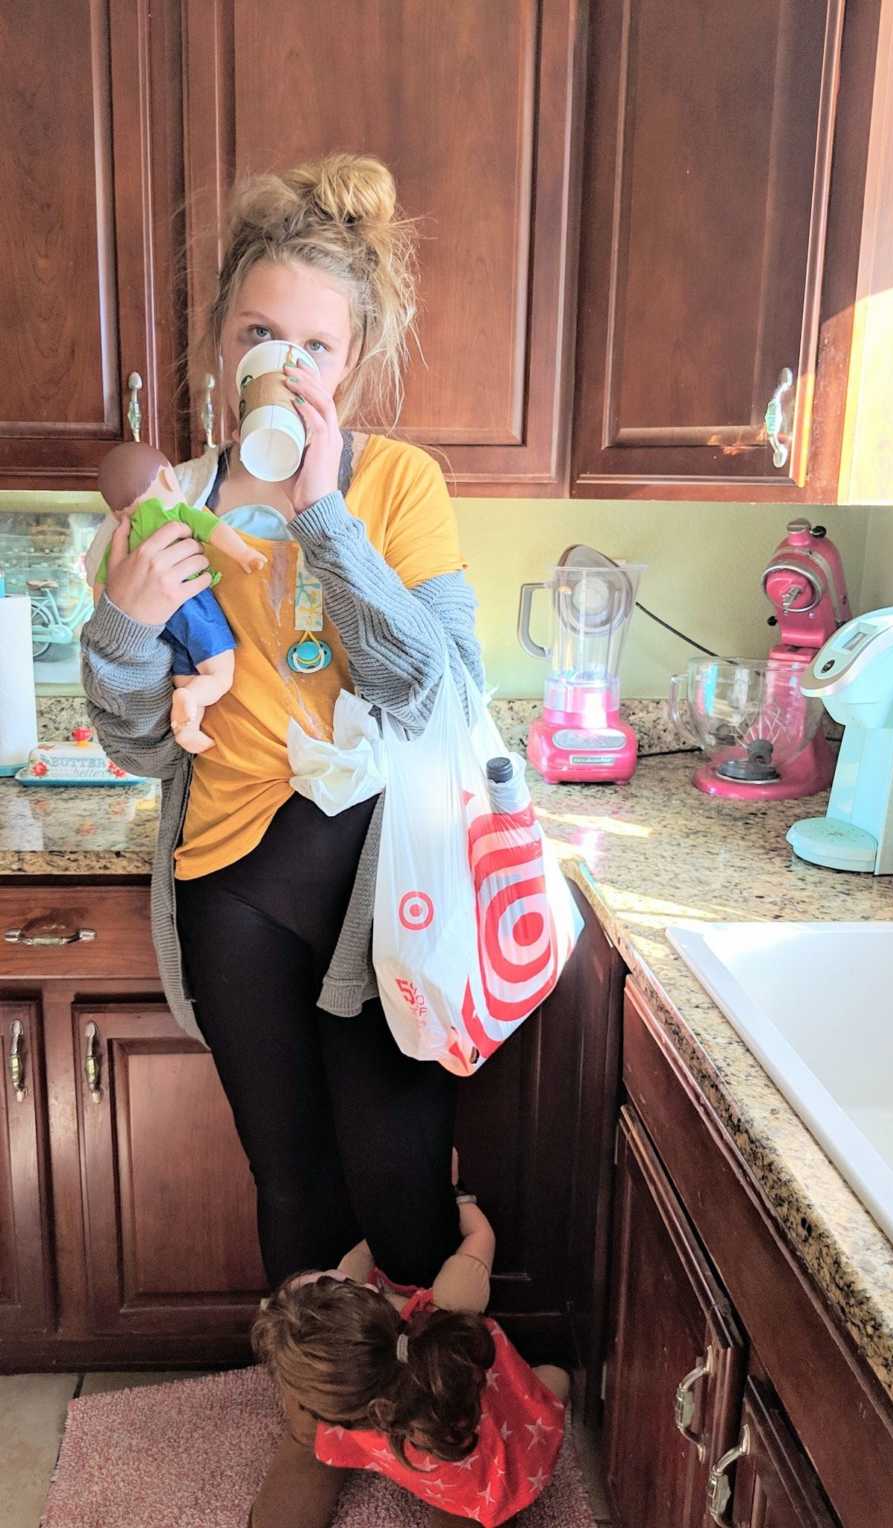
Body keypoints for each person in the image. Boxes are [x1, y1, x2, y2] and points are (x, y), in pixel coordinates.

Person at [80, 152, 484, 1296]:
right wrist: (126, 619)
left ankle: (424, 1420)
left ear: (349, 366)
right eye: (262, 333)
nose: (286, 366)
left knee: (402, 1177)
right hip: (229, 883)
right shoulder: (162, 513)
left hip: (380, 884)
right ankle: (318, 1423)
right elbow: (142, 745)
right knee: (291, 1183)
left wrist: (323, 517)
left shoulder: (397, 486)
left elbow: (435, 692)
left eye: (315, 346)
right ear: (221, 344)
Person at [250, 1189, 569, 1528]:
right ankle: (468, 1505)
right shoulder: (451, 1310)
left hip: (370, 1425)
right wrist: (459, 1198)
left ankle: (308, 1441)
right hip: (461, 1461)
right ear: (368, 1295)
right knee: (550, 1385)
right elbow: (480, 1237)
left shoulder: (334, 1387)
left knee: (308, 1414)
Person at [94, 440, 267, 753]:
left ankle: (188, 728)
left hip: (155, 623)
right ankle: (192, 700)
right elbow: (215, 531)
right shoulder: (177, 513)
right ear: (167, 478)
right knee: (218, 672)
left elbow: (103, 586)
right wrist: (244, 555)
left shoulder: (124, 539)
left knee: (185, 674)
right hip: (192, 604)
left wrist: (114, 617)